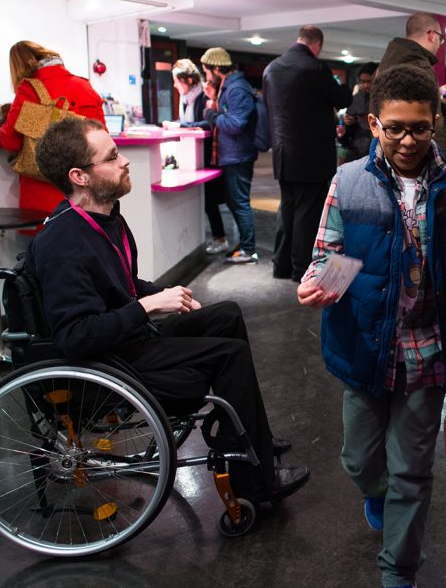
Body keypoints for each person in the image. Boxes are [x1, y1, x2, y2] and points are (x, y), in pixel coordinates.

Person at [26, 114, 310, 507]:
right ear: (80, 176)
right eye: (111, 157)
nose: (124, 161)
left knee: (225, 314)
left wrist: (162, 293)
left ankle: (248, 434)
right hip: (111, 360)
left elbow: (118, 286)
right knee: (230, 354)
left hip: (127, 339)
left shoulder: (106, 218)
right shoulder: (61, 243)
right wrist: (146, 306)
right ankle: (257, 484)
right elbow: (75, 336)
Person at [296, 65, 446, 588]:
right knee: (358, 460)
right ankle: (374, 492)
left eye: (420, 128)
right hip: (363, 348)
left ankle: (399, 569)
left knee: (413, 472)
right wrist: (320, 282)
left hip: (428, 354)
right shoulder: (349, 180)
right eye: (395, 127)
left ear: (435, 124)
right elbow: (330, 254)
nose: (407, 140)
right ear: (374, 123)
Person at [262, 25, 349, 280]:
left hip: (282, 154)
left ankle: (281, 265)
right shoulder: (315, 68)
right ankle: (300, 269)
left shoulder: (271, 69)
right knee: (307, 213)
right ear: (317, 45)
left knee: (287, 208)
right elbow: (340, 99)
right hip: (311, 155)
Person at [0, 40, 106, 216]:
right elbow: (103, 138)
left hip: (44, 193)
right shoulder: (85, 86)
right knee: (87, 238)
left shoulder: (28, 89)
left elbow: (10, 141)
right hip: (86, 190)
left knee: (49, 240)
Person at [201, 47, 259, 264]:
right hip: (232, 155)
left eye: (207, 72)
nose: (207, 77)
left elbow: (235, 124)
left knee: (240, 203)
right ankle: (244, 245)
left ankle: (248, 249)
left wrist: (210, 113)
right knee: (235, 203)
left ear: (217, 69)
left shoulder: (236, 89)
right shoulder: (229, 87)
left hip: (239, 155)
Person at [377, 11, 446, 163]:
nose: (439, 45)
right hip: (414, 158)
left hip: (388, 151)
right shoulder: (419, 66)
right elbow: (433, 126)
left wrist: (438, 97)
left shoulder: (389, 61)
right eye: (441, 40)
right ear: (431, 35)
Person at [173, 59, 230, 255]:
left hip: (207, 156)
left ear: (188, 79)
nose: (174, 85)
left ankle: (220, 238)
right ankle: (217, 237)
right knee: (206, 200)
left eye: (177, 81)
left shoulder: (202, 96)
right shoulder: (187, 98)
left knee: (210, 200)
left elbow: (207, 122)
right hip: (193, 156)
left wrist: (181, 126)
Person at [340, 62, 378, 164]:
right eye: (363, 81)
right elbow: (346, 133)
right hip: (357, 153)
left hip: (379, 151)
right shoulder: (356, 98)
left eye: (370, 81)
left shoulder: (387, 99)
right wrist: (348, 123)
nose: (366, 85)